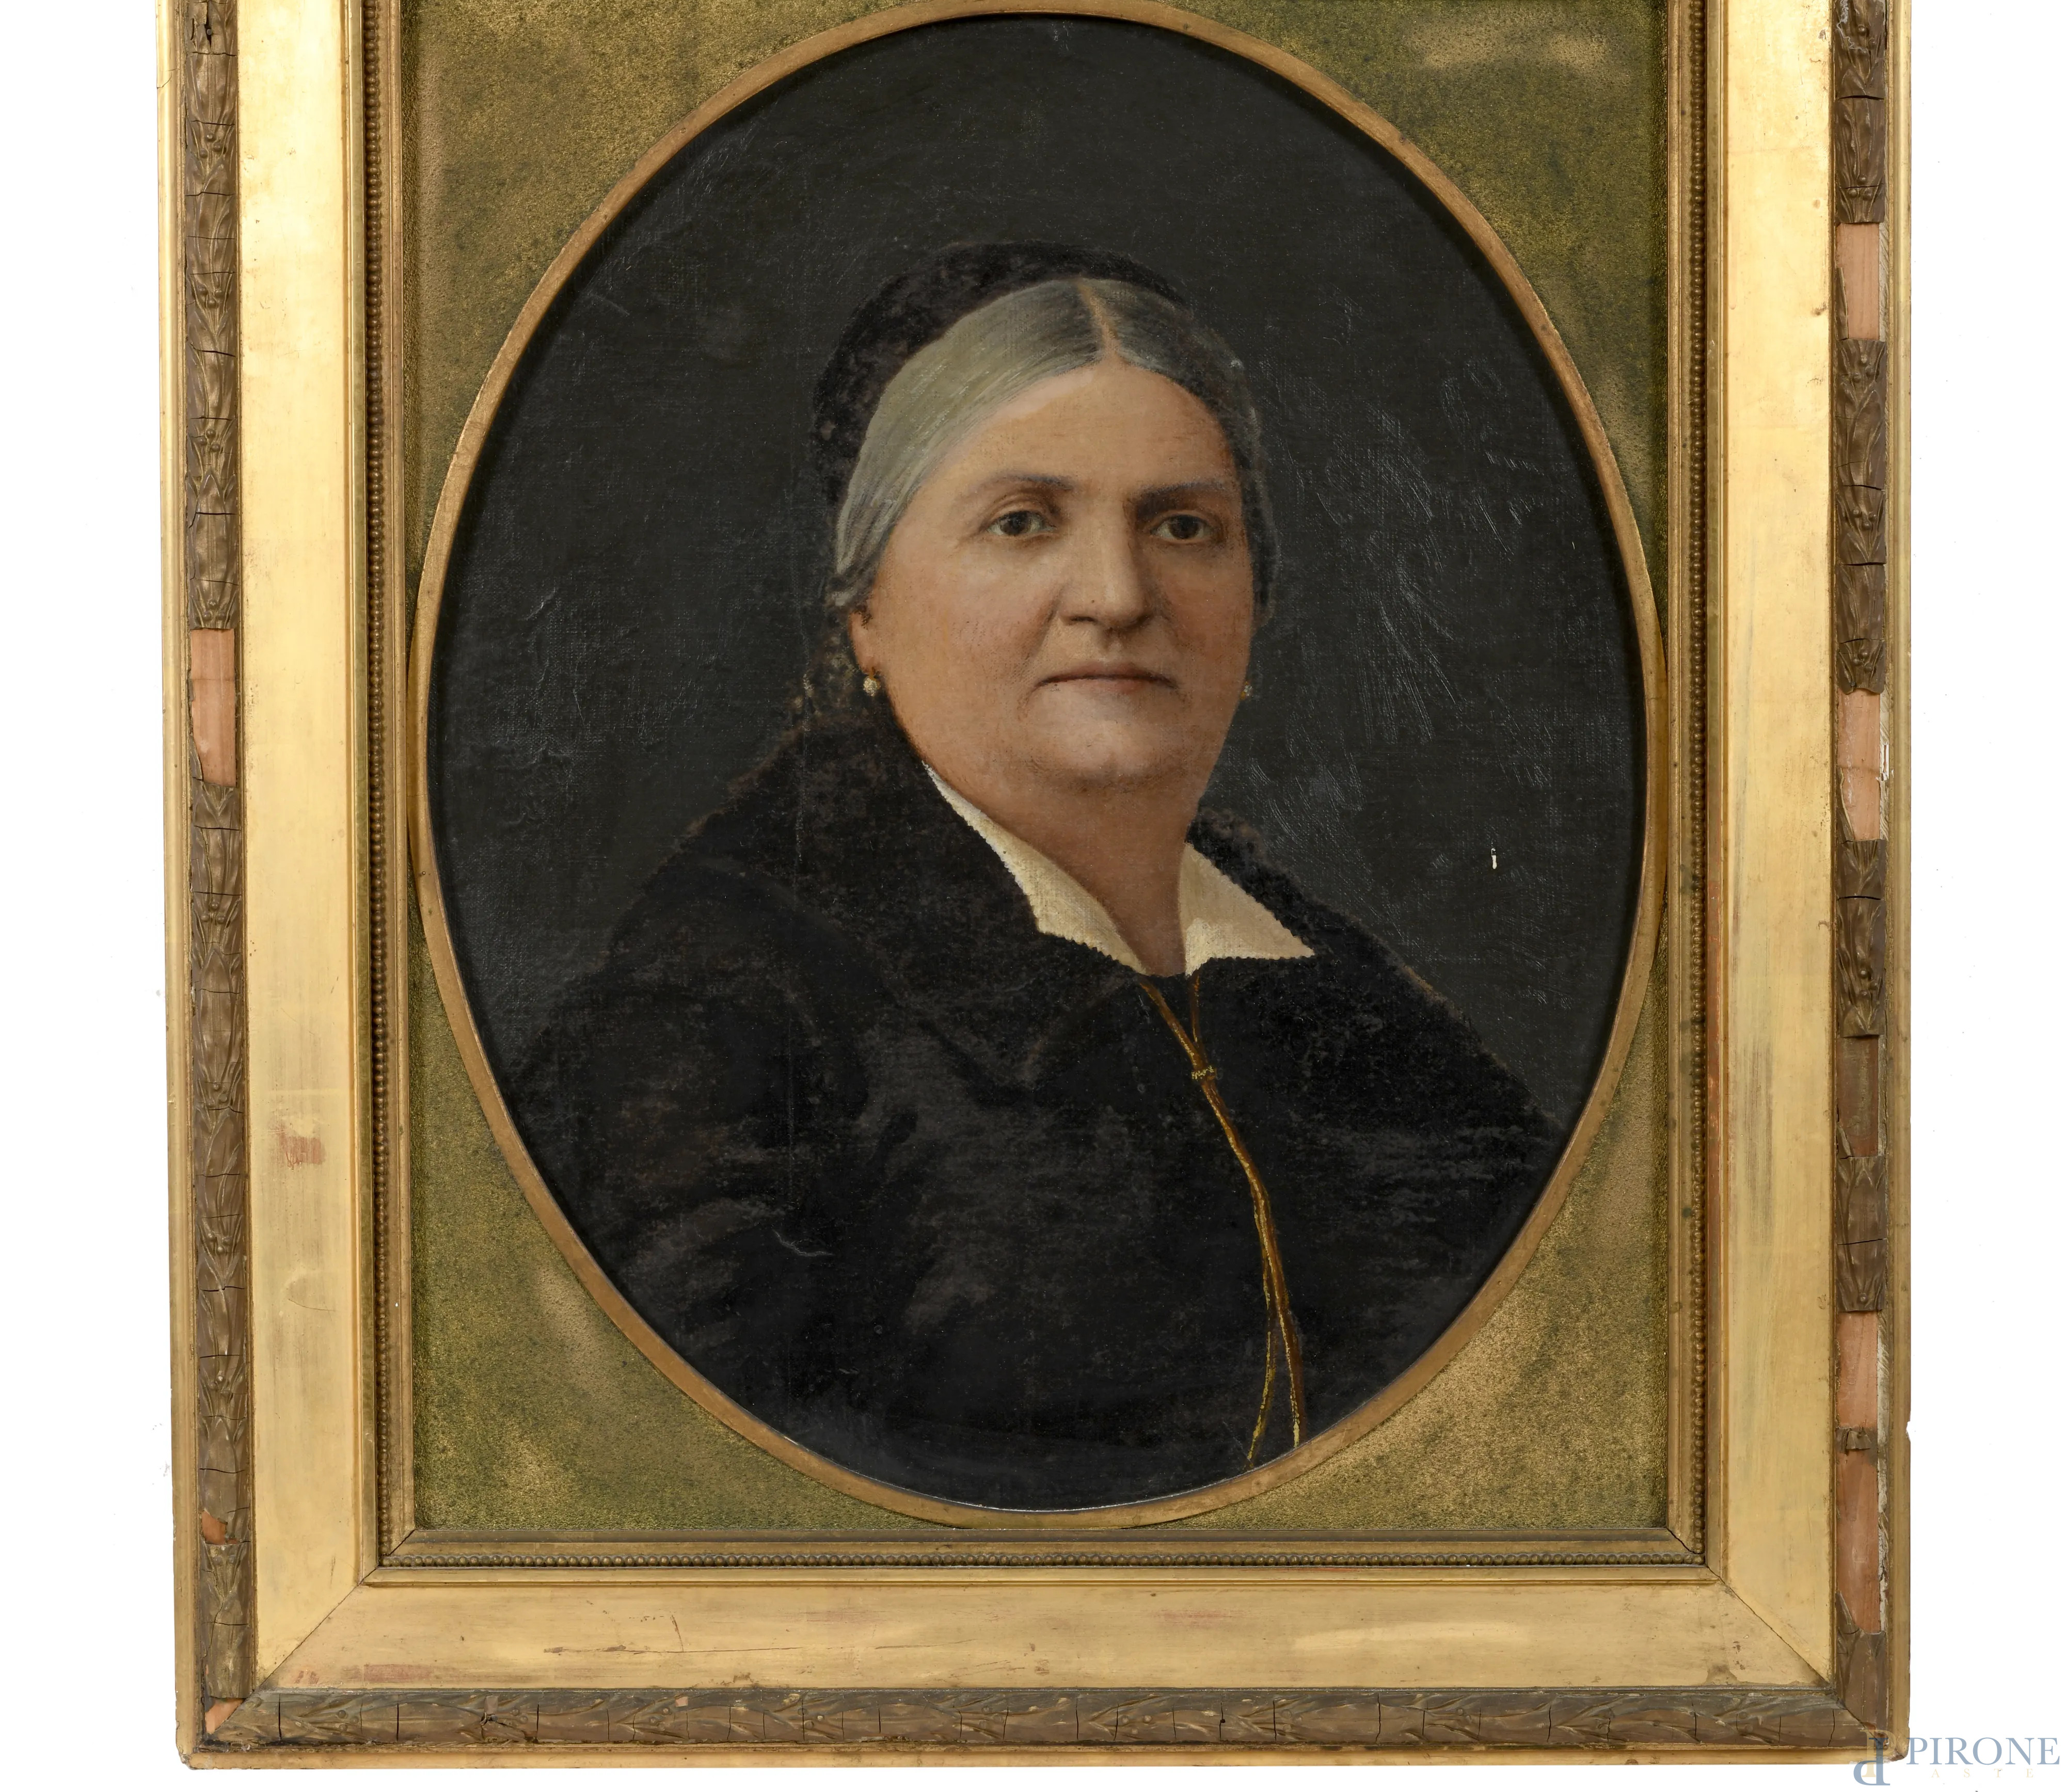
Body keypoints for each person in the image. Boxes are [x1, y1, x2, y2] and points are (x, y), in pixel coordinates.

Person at [512, 243, 1562, 1513]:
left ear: (1254, 598)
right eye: (1021, 522)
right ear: (864, 610)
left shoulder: (1377, 1033)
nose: (1117, 596)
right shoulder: (710, 1026)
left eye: (1182, 526)